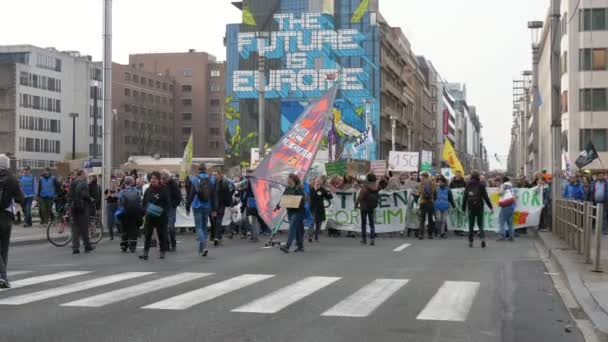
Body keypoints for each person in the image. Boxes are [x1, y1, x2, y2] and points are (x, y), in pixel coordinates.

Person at [0, 159, 25, 288]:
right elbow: (21, 198)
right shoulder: (12, 179)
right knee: (4, 248)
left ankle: (2, 276)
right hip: (6, 216)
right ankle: (3, 277)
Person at [186, 163, 217, 257]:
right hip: (207, 205)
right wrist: (214, 208)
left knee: (198, 227)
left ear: (198, 170)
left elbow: (191, 193)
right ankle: (201, 249)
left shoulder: (195, 179)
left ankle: (203, 247)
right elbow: (214, 195)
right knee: (204, 226)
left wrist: (187, 205)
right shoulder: (211, 179)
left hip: (197, 205)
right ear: (206, 169)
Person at [140, 171, 170, 260]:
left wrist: (161, 210)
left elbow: (167, 203)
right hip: (150, 216)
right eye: (152, 178)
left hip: (161, 216)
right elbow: (144, 202)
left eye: (155, 179)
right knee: (148, 234)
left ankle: (162, 252)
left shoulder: (164, 190)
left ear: (159, 180)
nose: (153, 180)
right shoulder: (148, 190)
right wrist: (145, 210)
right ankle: (145, 252)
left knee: (161, 234)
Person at [462, 170, 494, 248]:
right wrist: (490, 207)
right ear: (478, 176)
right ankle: (482, 239)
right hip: (479, 207)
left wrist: (463, 208)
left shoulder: (468, 185)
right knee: (480, 224)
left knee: (471, 225)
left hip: (470, 207)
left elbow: (465, 197)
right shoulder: (481, 185)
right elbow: (486, 197)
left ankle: (470, 241)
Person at [278, 174, 307, 253]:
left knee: (291, 228)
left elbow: (303, 199)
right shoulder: (287, 188)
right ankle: (300, 247)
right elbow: (283, 198)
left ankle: (287, 246)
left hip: (298, 211)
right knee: (297, 229)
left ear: (292, 179)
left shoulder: (298, 188)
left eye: (288, 178)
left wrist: (297, 199)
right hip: (290, 211)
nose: (287, 180)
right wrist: (278, 206)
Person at [69, 170, 95, 254]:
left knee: (74, 228)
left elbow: (69, 195)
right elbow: (85, 195)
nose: (87, 175)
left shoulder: (72, 183)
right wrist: (90, 199)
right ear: (82, 174)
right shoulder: (84, 183)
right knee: (84, 228)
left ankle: (75, 248)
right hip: (82, 208)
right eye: (86, 174)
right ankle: (87, 246)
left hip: (73, 207)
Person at [118, 176, 143, 253]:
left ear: (125, 182)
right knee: (134, 229)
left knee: (124, 229)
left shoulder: (121, 192)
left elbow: (119, 203)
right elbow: (140, 202)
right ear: (133, 183)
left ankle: (124, 245)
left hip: (125, 213)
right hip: (135, 214)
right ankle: (133, 246)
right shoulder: (137, 191)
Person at [213, 168, 235, 246]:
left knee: (217, 220)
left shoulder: (220, 182)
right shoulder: (219, 182)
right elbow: (229, 192)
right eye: (214, 175)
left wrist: (229, 204)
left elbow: (229, 193)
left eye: (216, 175)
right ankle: (217, 237)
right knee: (217, 221)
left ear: (220, 174)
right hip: (218, 204)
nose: (215, 176)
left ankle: (217, 237)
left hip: (219, 204)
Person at [356, 173, 379, 245]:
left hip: (364, 207)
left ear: (368, 179)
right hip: (371, 206)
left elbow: (360, 197)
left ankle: (364, 239)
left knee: (364, 223)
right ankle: (372, 239)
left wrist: (356, 204)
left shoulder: (365, 187)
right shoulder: (375, 187)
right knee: (372, 223)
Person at [161, 170, 181, 252]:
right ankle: (166, 244)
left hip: (171, 208)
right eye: (162, 178)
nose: (163, 180)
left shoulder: (173, 184)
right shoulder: (161, 185)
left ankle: (173, 243)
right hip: (163, 208)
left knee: (170, 227)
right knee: (164, 227)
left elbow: (178, 196)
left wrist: (173, 205)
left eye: (164, 178)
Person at [309, 177, 333, 242]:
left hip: (320, 208)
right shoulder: (311, 189)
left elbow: (329, 197)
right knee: (312, 222)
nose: (318, 182)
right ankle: (310, 236)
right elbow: (309, 196)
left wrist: (330, 192)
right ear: (315, 181)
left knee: (318, 223)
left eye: (320, 181)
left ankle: (316, 236)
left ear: (321, 182)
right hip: (312, 208)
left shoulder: (322, 189)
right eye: (317, 181)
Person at [418, 172, 436, 240]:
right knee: (430, 219)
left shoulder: (420, 183)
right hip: (430, 202)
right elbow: (434, 192)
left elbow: (419, 193)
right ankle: (430, 235)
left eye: (421, 176)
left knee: (422, 219)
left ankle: (421, 234)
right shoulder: (432, 183)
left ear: (423, 176)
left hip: (423, 202)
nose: (420, 177)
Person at [498, 176, 516, 241]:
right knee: (510, 222)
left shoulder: (503, 185)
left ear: (503, 180)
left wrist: (499, 192)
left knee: (501, 221)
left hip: (505, 205)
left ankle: (502, 236)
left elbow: (500, 193)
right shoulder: (512, 186)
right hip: (511, 205)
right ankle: (511, 236)